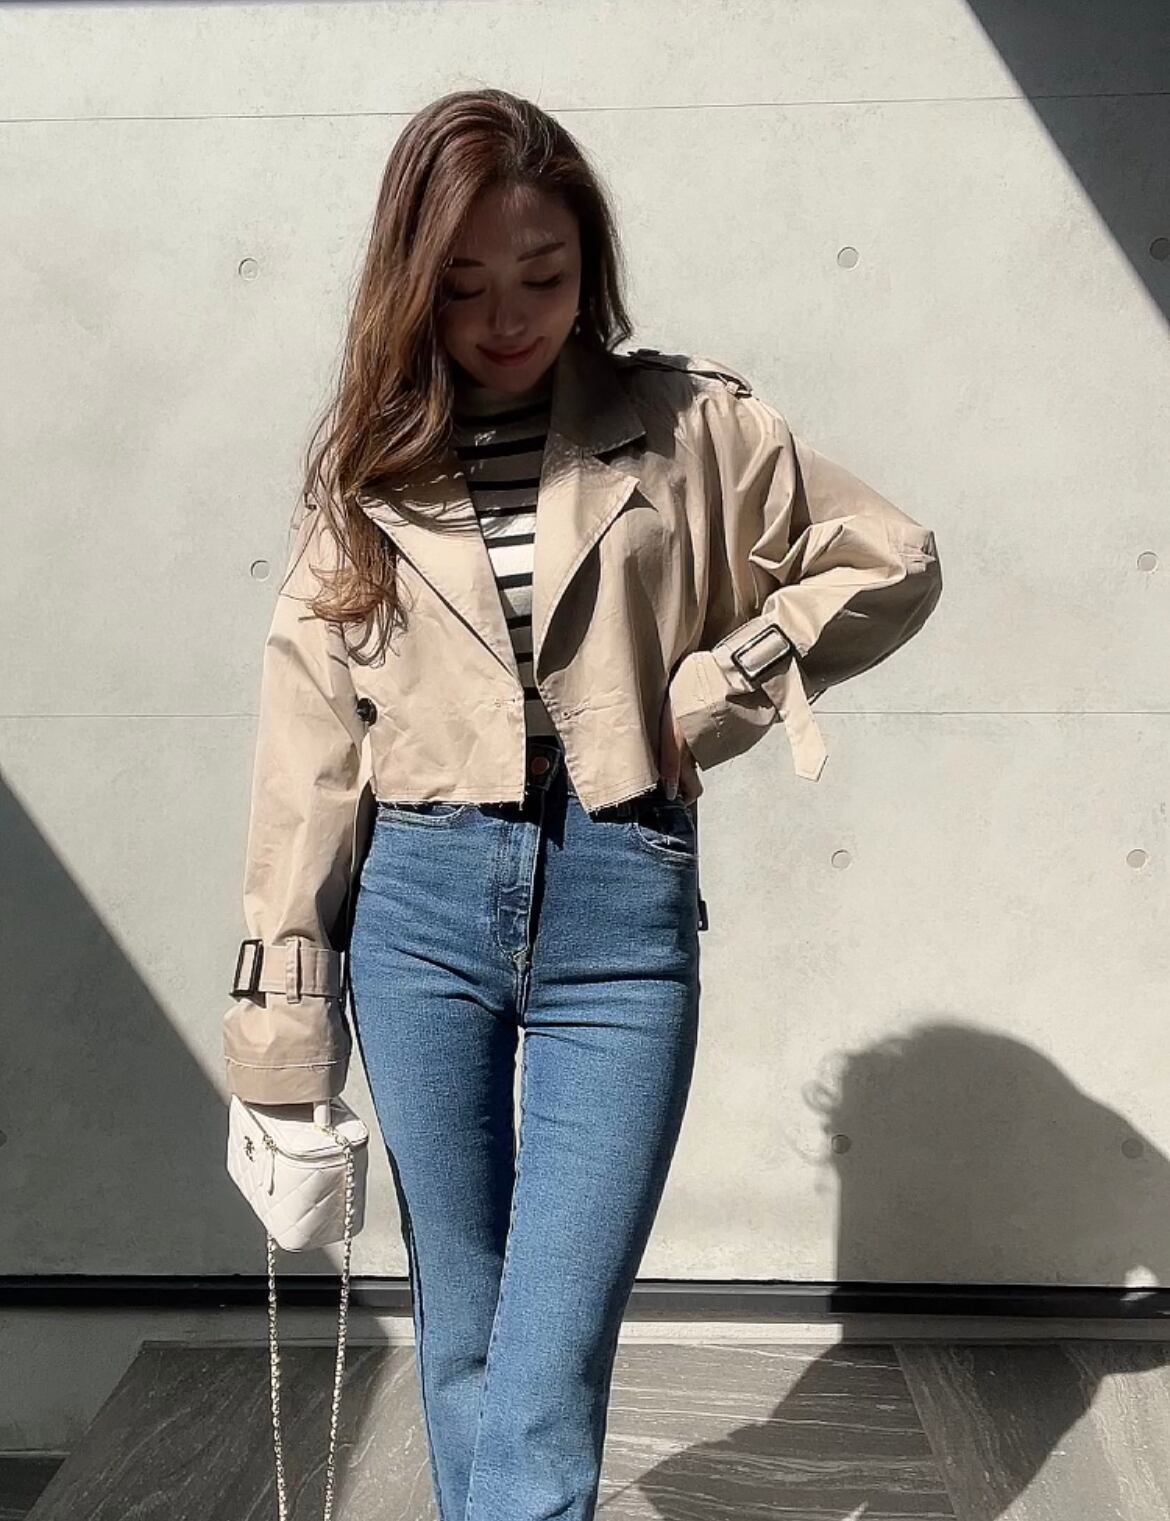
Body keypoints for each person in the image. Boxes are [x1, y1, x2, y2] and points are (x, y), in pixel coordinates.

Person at [222, 87, 942, 1521]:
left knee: (546, 1351)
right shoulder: (365, 469)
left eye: (542, 277)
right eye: (464, 284)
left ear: (587, 266)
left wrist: (717, 688)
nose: (507, 318)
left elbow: (890, 558)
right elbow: (308, 761)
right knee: (466, 1325)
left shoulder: (689, 426)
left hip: (619, 898)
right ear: (409, 284)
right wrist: (281, 1035)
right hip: (417, 907)